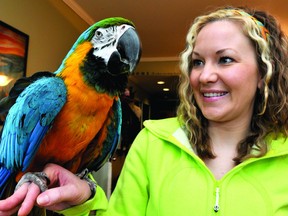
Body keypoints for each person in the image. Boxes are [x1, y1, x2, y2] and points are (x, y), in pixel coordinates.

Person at [1, 5, 288, 216]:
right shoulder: (152, 143)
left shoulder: (111, 110)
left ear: (265, 73)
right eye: (197, 62)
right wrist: (87, 198)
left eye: (225, 59)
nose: (205, 76)